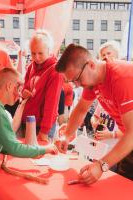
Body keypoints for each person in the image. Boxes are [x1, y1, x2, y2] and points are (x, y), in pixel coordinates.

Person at [55, 43, 133, 184]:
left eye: (77, 79)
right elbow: (80, 109)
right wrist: (66, 135)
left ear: (91, 64)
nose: (77, 85)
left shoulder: (121, 77)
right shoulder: (93, 80)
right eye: (72, 81)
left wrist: (101, 165)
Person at [21, 30, 63, 142]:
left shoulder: (55, 71)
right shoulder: (31, 66)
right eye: (33, 53)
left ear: (48, 50)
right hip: (28, 121)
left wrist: (44, 131)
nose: (36, 57)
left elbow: (52, 104)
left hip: (43, 125)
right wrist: (24, 92)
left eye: (40, 53)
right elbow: (25, 88)